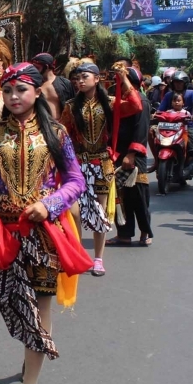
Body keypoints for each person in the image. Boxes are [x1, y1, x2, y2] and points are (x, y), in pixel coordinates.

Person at [0, 63, 85, 384]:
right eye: (8, 91)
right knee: (8, 300)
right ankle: (31, 345)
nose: (14, 96)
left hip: (43, 233)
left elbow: (75, 181)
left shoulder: (56, 133)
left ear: (37, 92)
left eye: (21, 89)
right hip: (3, 234)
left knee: (39, 307)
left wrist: (49, 204)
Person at [60, 62, 142, 276]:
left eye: (85, 76)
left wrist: (123, 78)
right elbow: (63, 136)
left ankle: (98, 259)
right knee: (74, 211)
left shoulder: (111, 103)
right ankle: (78, 253)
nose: (80, 81)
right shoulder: (70, 106)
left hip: (103, 163)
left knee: (99, 212)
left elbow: (135, 105)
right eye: (77, 78)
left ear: (97, 79)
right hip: (78, 164)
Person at [106, 68, 153, 247]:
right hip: (118, 153)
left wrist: (131, 154)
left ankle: (145, 231)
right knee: (121, 196)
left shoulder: (141, 101)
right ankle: (124, 234)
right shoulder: (121, 101)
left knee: (138, 196)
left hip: (134, 156)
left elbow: (141, 130)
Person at [152, 70, 193, 188]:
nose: (178, 84)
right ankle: (156, 162)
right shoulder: (168, 95)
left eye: (180, 82)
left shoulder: (191, 93)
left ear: (185, 83)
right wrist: (156, 114)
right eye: (176, 82)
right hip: (169, 126)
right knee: (152, 135)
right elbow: (161, 109)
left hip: (187, 127)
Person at [31, 53, 75, 120]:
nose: (35, 70)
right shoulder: (34, 84)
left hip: (62, 126)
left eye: (37, 67)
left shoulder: (65, 83)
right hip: (42, 125)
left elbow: (73, 106)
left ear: (47, 66)